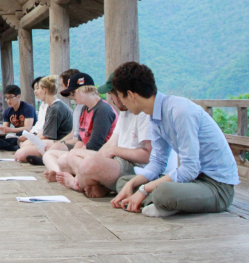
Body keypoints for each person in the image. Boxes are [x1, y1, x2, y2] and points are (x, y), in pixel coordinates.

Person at [110, 62, 239, 217]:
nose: (121, 102)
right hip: (191, 182)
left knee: (163, 192)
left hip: (216, 187)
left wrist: (144, 189)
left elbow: (190, 169)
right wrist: (133, 184)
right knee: (123, 182)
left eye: (121, 96)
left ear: (130, 95)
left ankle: (162, 202)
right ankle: (167, 204)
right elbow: (157, 162)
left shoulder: (180, 111)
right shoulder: (154, 116)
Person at [54, 73, 152, 196]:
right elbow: (111, 143)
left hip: (135, 166)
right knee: (69, 158)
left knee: (88, 164)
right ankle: (98, 185)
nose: (112, 100)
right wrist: (100, 156)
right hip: (119, 161)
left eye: (112, 95)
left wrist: (113, 151)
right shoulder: (125, 112)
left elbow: (148, 156)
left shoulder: (143, 113)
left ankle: (77, 183)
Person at [42, 72, 117, 184]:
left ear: (84, 90)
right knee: (51, 155)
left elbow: (95, 145)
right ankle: (60, 174)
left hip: (99, 155)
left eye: (73, 93)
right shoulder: (84, 109)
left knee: (66, 158)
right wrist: (72, 154)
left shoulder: (102, 110)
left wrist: (72, 155)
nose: (72, 97)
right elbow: (81, 140)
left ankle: (78, 182)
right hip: (84, 153)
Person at [15, 75, 73, 163]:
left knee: (20, 154)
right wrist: (31, 140)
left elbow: (47, 135)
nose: (37, 92)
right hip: (51, 140)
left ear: (44, 90)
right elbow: (44, 130)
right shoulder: (51, 106)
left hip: (59, 141)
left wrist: (31, 142)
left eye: (39, 89)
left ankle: (45, 159)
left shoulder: (55, 108)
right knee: (23, 146)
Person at [0, 84, 35, 151]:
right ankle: (12, 147)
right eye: (6, 98)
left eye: (10, 97)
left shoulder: (28, 108)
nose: (8, 100)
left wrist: (9, 130)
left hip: (27, 136)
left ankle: (7, 146)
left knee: (21, 135)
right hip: (15, 137)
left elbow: (28, 128)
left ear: (18, 96)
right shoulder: (7, 111)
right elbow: (4, 131)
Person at [46, 69, 83, 152]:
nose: (61, 90)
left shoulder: (83, 106)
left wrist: (60, 143)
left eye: (62, 85)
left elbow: (81, 138)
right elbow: (73, 133)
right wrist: (60, 142)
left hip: (77, 144)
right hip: (73, 142)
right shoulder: (76, 105)